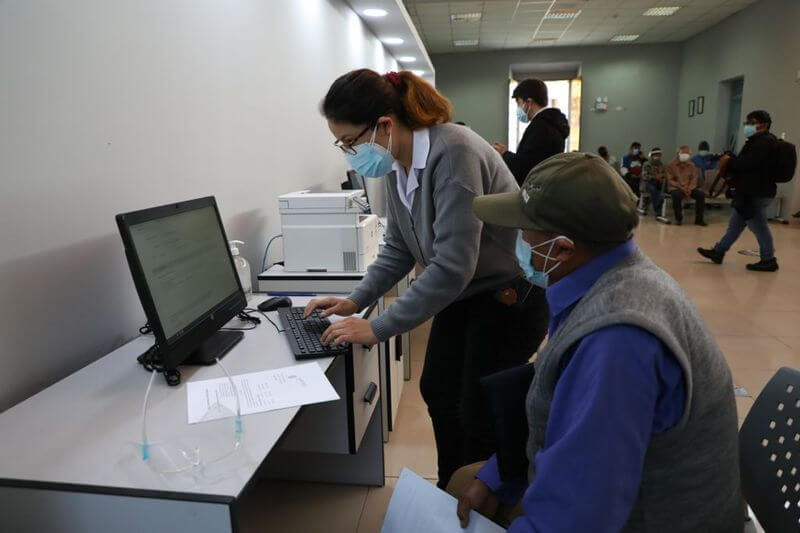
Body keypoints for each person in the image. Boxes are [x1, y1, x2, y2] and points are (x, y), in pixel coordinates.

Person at [451, 152, 741, 532]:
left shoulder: (616, 340)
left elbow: (578, 518)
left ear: (563, 248)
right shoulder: (613, 276)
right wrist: (497, 477)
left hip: (650, 518)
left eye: (526, 230)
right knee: (465, 482)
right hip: (628, 493)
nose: (519, 239)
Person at [308, 69, 549, 489]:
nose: (349, 153)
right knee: (439, 390)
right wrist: (355, 300)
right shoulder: (399, 164)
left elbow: (453, 265)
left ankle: (488, 499)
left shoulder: (453, 153)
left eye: (350, 141)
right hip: (469, 291)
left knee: (478, 409)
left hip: (510, 294)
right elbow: (400, 248)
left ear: (385, 124)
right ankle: (453, 488)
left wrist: (377, 326)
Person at [698, 110, 779, 271]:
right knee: (735, 226)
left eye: (751, 122)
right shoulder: (758, 141)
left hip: (755, 193)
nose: (747, 126)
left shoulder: (763, 142)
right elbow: (748, 162)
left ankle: (769, 259)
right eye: (746, 122)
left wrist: (729, 161)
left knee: (759, 227)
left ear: (763, 124)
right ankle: (718, 252)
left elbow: (748, 164)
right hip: (750, 191)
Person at [490, 78, 569, 185]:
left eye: (518, 102)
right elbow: (532, 157)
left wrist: (504, 154)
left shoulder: (541, 127)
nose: (518, 107)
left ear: (529, 102)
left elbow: (527, 168)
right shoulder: (550, 123)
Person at [666, 146, 706, 226]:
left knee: (701, 195)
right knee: (676, 195)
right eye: (684, 153)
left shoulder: (692, 165)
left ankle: (699, 220)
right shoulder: (671, 165)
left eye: (687, 153)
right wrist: (682, 188)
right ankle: (679, 219)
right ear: (678, 153)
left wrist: (690, 188)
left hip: (689, 188)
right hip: (676, 188)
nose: (686, 155)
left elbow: (694, 178)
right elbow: (670, 180)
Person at [638, 147, 671, 224]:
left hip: (659, 184)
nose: (657, 156)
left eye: (659, 155)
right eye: (656, 155)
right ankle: (658, 212)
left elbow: (666, 175)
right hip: (648, 183)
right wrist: (655, 177)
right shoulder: (646, 164)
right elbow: (645, 176)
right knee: (653, 189)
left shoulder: (663, 164)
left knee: (662, 189)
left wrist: (662, 178)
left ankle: (659, 209)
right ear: (652, 155)